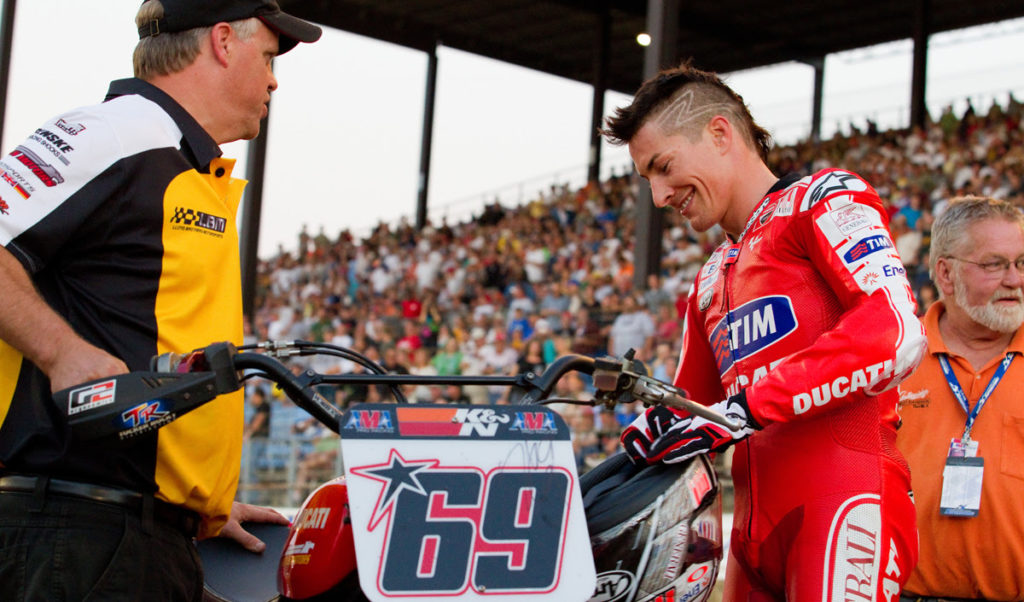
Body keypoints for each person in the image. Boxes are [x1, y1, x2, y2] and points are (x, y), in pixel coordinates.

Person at [0, 1, 320, 598]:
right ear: (223, 42)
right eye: (270, 58)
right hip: (77, 536)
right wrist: (61, 352)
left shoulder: (178, 160)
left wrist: (195, 504)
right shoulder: (118, 132)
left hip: (135, 535)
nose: (275, 79)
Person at [603, 63, 927, 600]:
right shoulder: (709, 277)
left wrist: (748, 406)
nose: (659, 196)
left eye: (663, 167)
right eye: (648, 180)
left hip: (843, 503)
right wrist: (651, 428)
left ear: (720, 133)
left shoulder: (824, 198)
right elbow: (694, 403)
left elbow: (894, 329)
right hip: (752, 531)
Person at [896, 196, 1024, 601]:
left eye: (1022, 263)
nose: (1015, 280)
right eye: (994, 265)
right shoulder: (892, 358)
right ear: (945, 274)